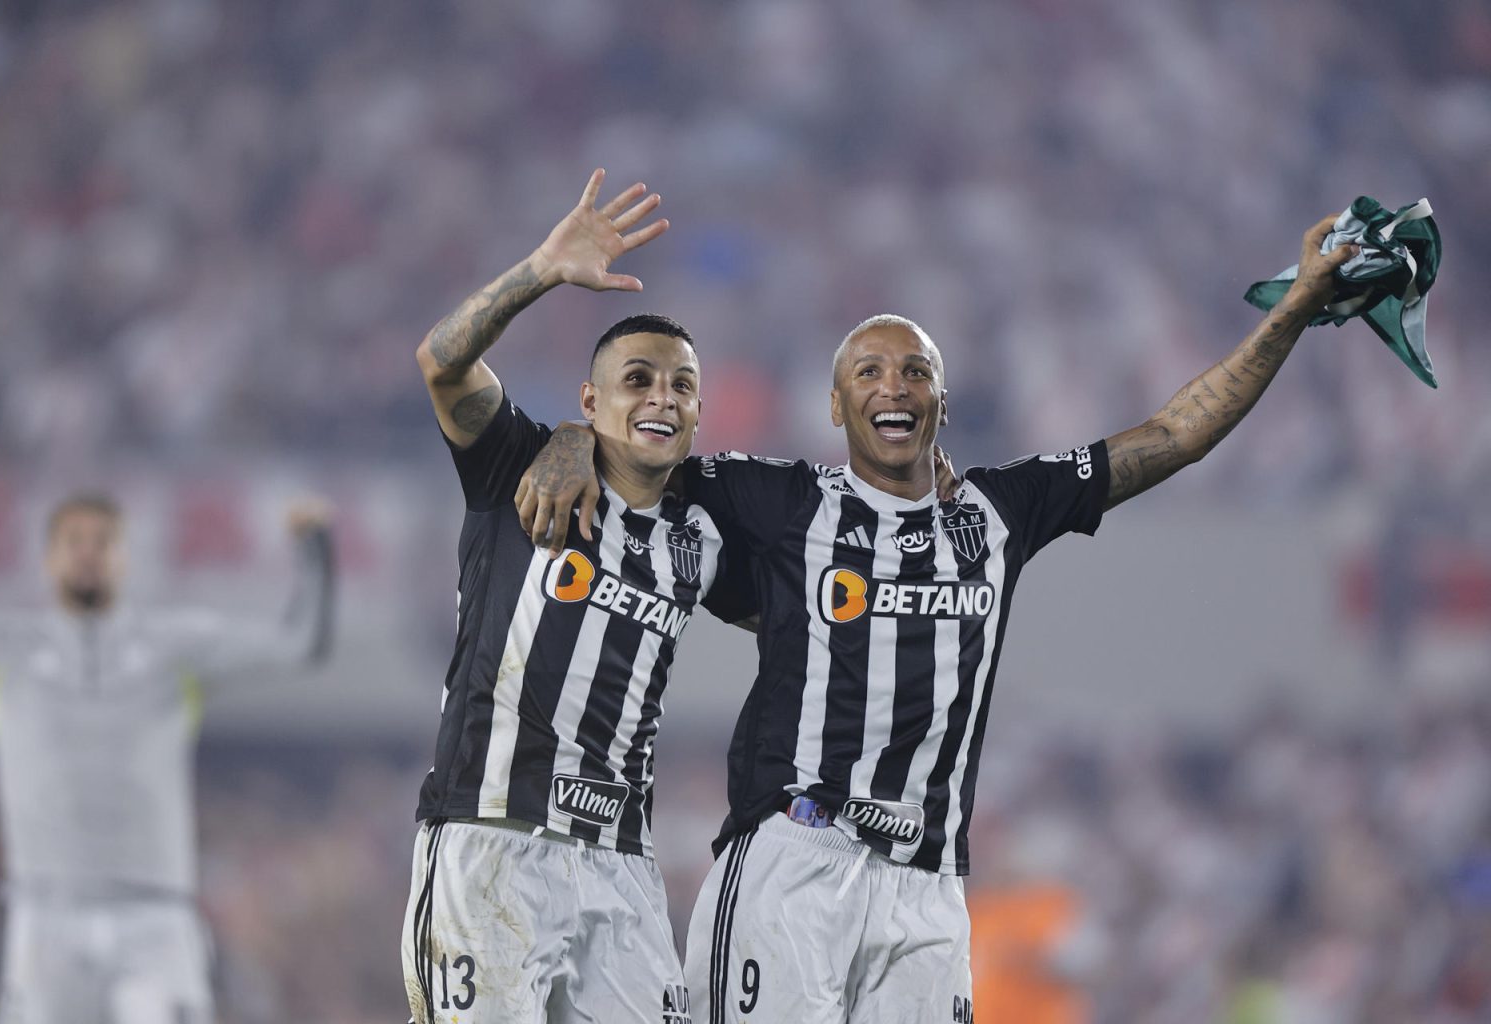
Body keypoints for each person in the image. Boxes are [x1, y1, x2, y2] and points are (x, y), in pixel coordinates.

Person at [519, 215, 1361, 1023]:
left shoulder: (1000, 511)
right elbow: (643, 444)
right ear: (837, 409)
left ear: (942, 405)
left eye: (915, 371)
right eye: (870, 373)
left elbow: (1175, 434)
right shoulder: (781, 501)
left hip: (927, 889)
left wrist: (1291, 313)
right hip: (794, 861)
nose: (894, 385)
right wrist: (568, 437)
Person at [401, 168, 757, 1024]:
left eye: (679, 386)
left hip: (621, 865)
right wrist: (543, 271)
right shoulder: (517, 464)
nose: (660, 397)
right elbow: (441, 363)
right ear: (591, 400)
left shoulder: (703, 535)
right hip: (491, 843)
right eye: (637, 380)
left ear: (700, 414)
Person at [0, 491, 335, 1024]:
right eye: (73, 541)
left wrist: (313, 549)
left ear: (124, 557)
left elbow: (299, 644)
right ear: (48, 557)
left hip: (154, 916)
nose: (88, 553)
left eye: (103, 542)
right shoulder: (1, 646)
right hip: (44, 914)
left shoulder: (172, 646)